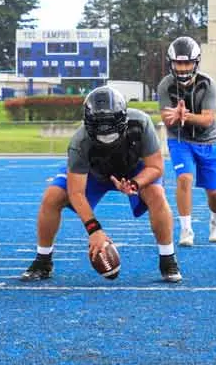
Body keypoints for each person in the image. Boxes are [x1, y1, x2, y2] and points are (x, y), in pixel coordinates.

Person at [19, 86, 182, 283]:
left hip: (132, 169)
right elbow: (76, 192)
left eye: (110, 127)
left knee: (156, 193)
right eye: (99, 128)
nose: (105, 134)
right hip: (94, 172)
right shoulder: (80, 142)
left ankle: (168, 258)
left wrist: (135, 183)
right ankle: (43, 261)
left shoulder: (140, 123)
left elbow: (156, 167)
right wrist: (94, 230)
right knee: (52, 197)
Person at [157, 36, 216, 246]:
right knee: (184, 178)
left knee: (214, 193)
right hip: (180, 139)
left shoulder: (208, 84)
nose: (183, 68)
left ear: (196, 63)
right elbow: (166, 119)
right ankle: (186, 230)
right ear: (171, 63)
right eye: (179, 63)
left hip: (207, 141)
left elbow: (207, 119)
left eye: (187, 63)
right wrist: (174, 116)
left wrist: (184, 115)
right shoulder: (165, 85)